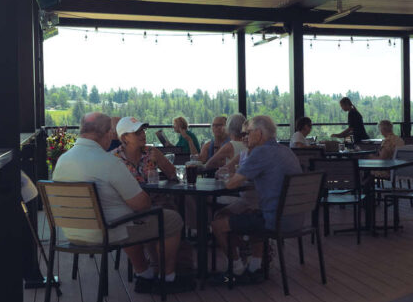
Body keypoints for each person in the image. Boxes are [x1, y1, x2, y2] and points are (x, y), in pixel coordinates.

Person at [51, 112, 189, 291]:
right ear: (108, 133)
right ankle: (167, 278)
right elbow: (142, 204)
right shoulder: (109, 162)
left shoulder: (63, 160)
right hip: (107, 233)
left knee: (130, 217)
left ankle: (145, 273)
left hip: (72, 233)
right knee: (171, 219)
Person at [210, 115, 302, 281]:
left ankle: (237, 269)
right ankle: (255, 266)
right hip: (295, 219)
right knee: (253, 211)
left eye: (248, 132)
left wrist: (227, 175)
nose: (245, 136)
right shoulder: (285, 150)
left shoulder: (260, 152)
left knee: (217, 225)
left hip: (273, 220)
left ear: (259, 133)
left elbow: (231, 185)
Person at [113, 117, 179, 183]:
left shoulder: (151, 152)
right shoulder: (114, 157)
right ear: (124, 138)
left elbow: (173, 175)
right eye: (137, 132)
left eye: (143, 130)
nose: (143, 134)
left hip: (153, 192)